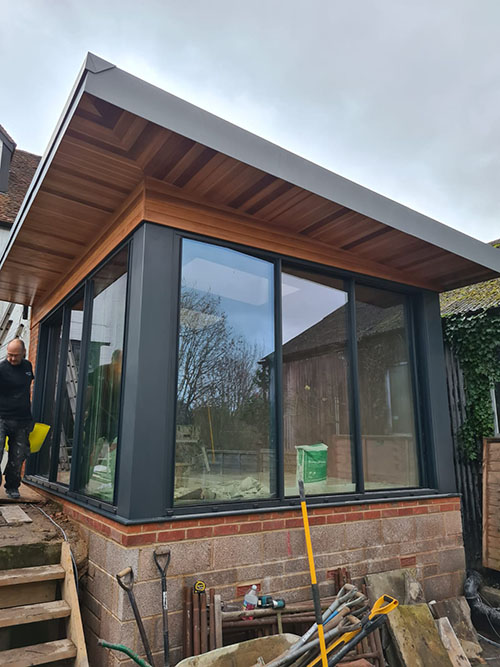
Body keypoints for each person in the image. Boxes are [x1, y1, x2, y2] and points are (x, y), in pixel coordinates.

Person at [0, 338, 34, 499]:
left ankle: (12, 486)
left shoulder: (27, 366)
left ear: (24, 353)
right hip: (2, 418)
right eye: (9, 355)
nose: (12, 358)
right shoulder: (1, 369)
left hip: (22, 420)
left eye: (16, 355)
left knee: (18, 455)